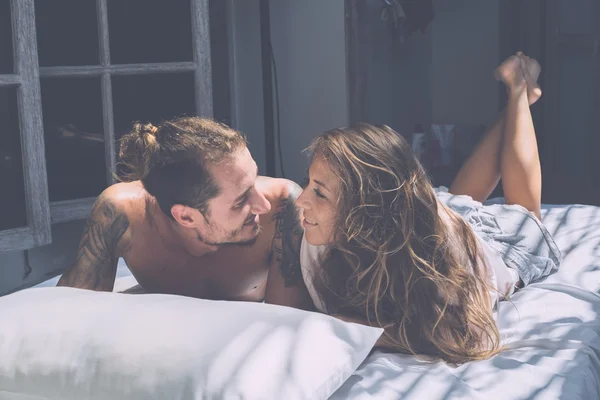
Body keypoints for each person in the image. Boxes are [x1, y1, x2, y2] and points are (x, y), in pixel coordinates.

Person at [294, 53, 562, 364]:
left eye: (320, 193)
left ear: (365, 210)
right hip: (438, 217)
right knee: (463, 201)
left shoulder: (437, 267)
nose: (301, 200)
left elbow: (469, 335)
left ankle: (518, 87)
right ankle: (517, 103)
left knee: (526, 214)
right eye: (309, 183)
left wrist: (360, 327)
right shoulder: (320, 244)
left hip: (476, 249)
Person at [58, 117, 313, 310]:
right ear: (186, 217)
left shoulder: (282, 205)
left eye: (254, 181)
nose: (262, 205)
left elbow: (287, 322)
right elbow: (72, 314)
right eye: (240, 200)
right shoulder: (122, 213)